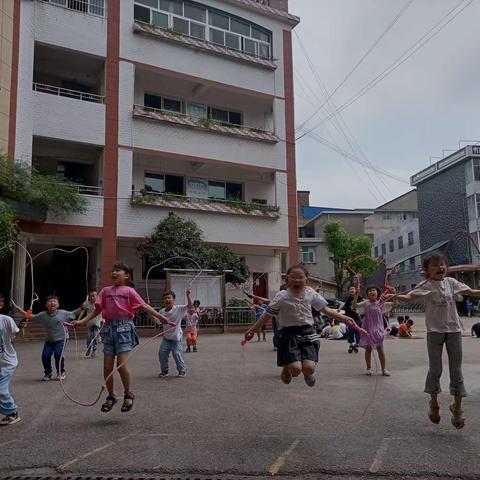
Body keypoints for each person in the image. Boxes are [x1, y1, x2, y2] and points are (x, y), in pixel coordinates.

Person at [393, 252, 480, 429]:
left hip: (454, 330)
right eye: (434, 265)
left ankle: (457, 409)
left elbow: (471, 292)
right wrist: (395, 296)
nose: (440, 267)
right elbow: (409, 296)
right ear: (426, 270)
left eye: (442, 264)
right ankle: (434, 405)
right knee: (436, 369)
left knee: (456, 370)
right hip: (434, 332)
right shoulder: (426, 285)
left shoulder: (451, 283)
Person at [74, 262, 168, 413]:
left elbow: (144, 306)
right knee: (107, 367)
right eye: (113, 270)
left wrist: (160, 317)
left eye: (118, 270)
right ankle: (111, 396)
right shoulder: (105, 291)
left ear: (126, 275)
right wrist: (81, 321)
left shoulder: (129, 291)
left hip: (124, 328)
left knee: (121, 365)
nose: (114, 273)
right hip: (109, 328)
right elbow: (97, 311)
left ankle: (128, 394)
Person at [245, 265, 357, 387]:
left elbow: (326, 310)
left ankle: (307, 374)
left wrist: (345, 318)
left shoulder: (310, 293)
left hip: (308, 333)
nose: (297, 280)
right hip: (289, 334)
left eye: (300, 277)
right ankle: (287, 368)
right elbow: (267, 314)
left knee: (309, 367)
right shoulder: (282, 296)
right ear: (286, 280)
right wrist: (252, 330)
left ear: (306, 281)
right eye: (293, 277)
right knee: (295, 369)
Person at [17, 296, 83, 381]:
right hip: (49, 340)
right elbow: (31, 317)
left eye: (54, 301)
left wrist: (82, 308)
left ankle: (61, 372)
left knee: (58, 355)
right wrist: (20, 311)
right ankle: (48, 373)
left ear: (58, 304)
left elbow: (74, 313)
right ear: (46, 305)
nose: (52, 303)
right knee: (45, 355)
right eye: (50, 301)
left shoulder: (63, 313)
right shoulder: (42, 315)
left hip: (61, 339)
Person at [353, 286, 394, 377]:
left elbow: (394, 303)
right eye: (370, 290)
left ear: (377, 293)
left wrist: (394, 293)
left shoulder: (381, 303)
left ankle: (384, 369)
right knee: (368, 349)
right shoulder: (366, 303)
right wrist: (356, 296)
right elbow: (354, 306)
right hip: (368, 329)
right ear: (367, 294)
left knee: (380, 348)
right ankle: (368, 368)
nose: (372, 292)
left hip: (378, 329)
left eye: (374, 290)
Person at [158, 289, 194, 378]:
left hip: (176, 338)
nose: (167, 300)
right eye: (165, 298)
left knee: (176, 354)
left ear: (174, 299)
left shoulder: (179, 309)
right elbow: (157, 321)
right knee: (161, 353)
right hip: (166, 338)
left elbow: (190, 307)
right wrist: (149, 312)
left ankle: (182, 370)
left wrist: (188, 295)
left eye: (169, 298)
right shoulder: (161, 312)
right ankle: (164, 370)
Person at [0, 293, 21, 426]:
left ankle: (12, 412)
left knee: (1, 389)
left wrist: (21, 326)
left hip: (7, 363)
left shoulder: (6, 320)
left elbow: (15, 334)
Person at [77, 290, 103, 358]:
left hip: (97, 323)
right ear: (89, 297)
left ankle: (94, 350)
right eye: (91, 296)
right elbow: (82, 311)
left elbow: (102, 311)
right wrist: (78, 320)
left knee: (95, 336)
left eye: (94, 296)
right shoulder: (87, 304)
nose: (93, 297)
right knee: (88, 337)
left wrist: (103, 319)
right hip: (89, 323)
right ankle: (88, 348)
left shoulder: (98, 303)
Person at [340, 286, 363, 353]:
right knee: (350, 331)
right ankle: (351, 344)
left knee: (358, 331)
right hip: (349, 317)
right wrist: (339, 308)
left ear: (355, 290)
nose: (352, 290)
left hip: (357, 317)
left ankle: (357, 344)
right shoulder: (347, 298)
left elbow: (363, 304)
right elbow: (343, 304)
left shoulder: (359, 297)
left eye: (353, 289)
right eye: (350, 289)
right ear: (348, 291)